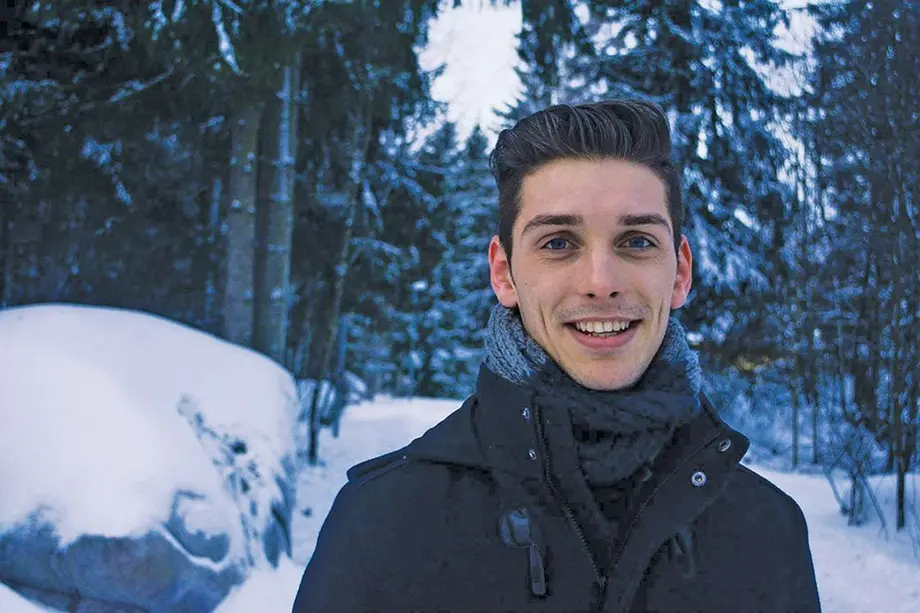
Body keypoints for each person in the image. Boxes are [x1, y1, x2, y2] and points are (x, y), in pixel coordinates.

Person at [291, 100, 821, 612]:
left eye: (637, 242)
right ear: (504, 273)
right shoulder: (385, 526)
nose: (601, 282)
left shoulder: (767, 533)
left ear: (680, 273)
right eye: (558, 243)